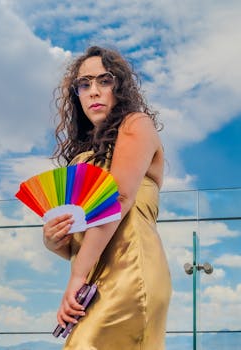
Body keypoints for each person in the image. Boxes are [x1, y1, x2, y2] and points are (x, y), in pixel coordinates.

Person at [43, 46, 172, 349]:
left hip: (132, 272)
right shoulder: (80, 159)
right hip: (93, 278)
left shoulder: (136, 124)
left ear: (120, 86)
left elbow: (120, 199)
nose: (93, 92)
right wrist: (53, 241)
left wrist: (76, 278)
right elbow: (81, 237)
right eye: (84, 84)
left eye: (104, 80)